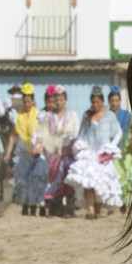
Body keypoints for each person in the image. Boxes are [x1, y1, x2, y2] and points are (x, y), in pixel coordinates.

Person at [66, 85, 125, 218]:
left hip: (103, 153)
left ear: (102, 102)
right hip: (90, 153)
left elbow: (118, 132)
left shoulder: (109, 116)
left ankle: (97, 211)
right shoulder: (87, 116)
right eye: (93, 102)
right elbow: (81, 134)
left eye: (97, 102)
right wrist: (81, 147)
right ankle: (90, 210)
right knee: (89, 182)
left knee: (101, 183)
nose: (95, 105)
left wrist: (111, 146)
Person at [33, 85, 81, 217]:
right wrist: (38, 146)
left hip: (68, 152)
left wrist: (72, 145)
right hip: (52, 153)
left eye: (61, 99)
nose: (58, 102)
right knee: (56, 179)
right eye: (56, 100)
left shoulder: (73, 115)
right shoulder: (49, 116)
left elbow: (76, 133)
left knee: (68, 177)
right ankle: (59, 206)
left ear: (65, 100)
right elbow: (43, 133)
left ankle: (70, 205)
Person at [6, 83, 43, 215]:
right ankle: (24, 205)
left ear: (33, 101)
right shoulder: (18, 116)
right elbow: (13, 136)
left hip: (36, 152)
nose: (27, 105)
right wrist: (8, 153)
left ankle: (34, 205)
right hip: (22, 153)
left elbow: (42, 134)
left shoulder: (39, 115)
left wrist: (38, 148)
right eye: (25, 102)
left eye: (29, 102)